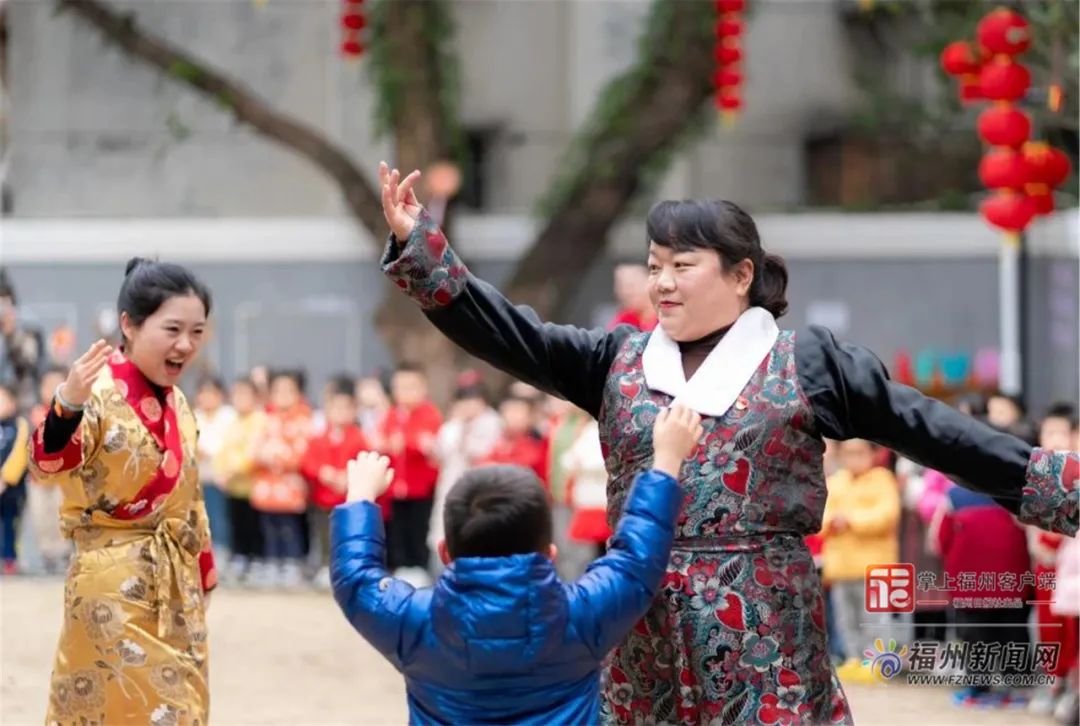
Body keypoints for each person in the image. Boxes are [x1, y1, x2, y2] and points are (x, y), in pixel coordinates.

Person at [376, 162, 1078, 723]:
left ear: (741, 275)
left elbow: (937, 433)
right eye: (654, 266)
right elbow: (512, 335)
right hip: (639, 622)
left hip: (766, 631)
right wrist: (421, 249)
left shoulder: (807, 363)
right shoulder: (615, 360)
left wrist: (1059, 487)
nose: (662, 283)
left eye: (683, 266)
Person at [330, 405, 703, 724]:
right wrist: (666, 461)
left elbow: (356, 580)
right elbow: (636, 561)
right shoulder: (581, 616)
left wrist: (361, 495)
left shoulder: (413, 623)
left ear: (445, 552)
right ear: (550, 553)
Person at [26, 258, 216, 724]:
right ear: (128, 325)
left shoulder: (180, 403)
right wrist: (67, 405)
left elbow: (189, 498)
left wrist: (202, 569)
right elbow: (47, 465)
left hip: (175, 589)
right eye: (172, 329)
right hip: (108, 586)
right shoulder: (96, 390)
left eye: (197, 331)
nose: (185, 345)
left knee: (184, 706)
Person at [820, 439, 900, 683]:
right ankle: (855, 658)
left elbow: (887, 515)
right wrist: (833, 521)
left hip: (876, 566)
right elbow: (820, 518)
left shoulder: (883, 479)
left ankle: (878, 662)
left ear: (872, 454)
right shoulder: (836, 482)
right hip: (841, 566)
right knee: (846, 619)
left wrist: (851, 520)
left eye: (859, 453)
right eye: (849, 453)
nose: (854, 458)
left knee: (876, 619)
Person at [301, 374, 371, 588]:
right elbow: (307, 463)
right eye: (336, 408)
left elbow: (365, 459)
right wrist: (324, 473)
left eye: (346, 408)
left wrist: (347, 477)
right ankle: (324, 566)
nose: (340, 413)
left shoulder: (358, 437)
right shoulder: (319, 438)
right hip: (322, 498)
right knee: (323, 535)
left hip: (347, 499)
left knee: (346, 536)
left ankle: (346, 570)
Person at [379, 363, 443, 580]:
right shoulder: (391, 414)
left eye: (411, 386)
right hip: (395, 487)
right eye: (401, 387)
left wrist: (405, 442)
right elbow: (382, 440)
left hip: (420, 487)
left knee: (418, 527)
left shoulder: (429, 414)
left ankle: (418, 566)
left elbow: (428, 442)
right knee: (397, 529)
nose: (405, 392)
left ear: (423, 388)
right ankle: (400, 566)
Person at [250, 368, 312, 589]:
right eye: (278, 390)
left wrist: (277, 457)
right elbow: (255, 448)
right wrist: (261, 456)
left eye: (289, 391)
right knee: (269, 526)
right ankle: (273, 562)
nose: (283, 395)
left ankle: (294, 563)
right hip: (267, 485)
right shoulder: (267, 419)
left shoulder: (304, 420)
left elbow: (303, 453)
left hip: (290, 486)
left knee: (290, 527)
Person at [213, 377, 268, 584]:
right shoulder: (232, 421)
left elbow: (252, 453)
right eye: (237, 395)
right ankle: (240, 558)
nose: (240, 399)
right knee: (236, 524)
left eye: (245, 394)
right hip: (232, 487)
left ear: (256, 397)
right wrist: (221, 472)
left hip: (252, 486)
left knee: (254, 525)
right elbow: (223, 450)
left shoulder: (259, 420)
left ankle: (256, 560)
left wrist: (233, 471)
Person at [26, 366, 72, 575]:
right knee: (40, 516)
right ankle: (47, 554)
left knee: (59, 515)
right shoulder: (36, 413)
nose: (52, 389)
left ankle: (63, 553)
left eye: (57, 385)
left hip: (62, 478)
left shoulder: (71, 414)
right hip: (37, 478)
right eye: (48, 385)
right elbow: (27, 444)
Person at [194, 375, 236, 563]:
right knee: (203, 518)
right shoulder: (194, 415)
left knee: (221, 518)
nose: (207, 398)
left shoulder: (229, 416)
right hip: (200, 478)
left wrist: (207, 451)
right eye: (203, 393)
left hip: (223, 478)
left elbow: (229, 444)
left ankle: (224, 552)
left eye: (212, 393)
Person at [0, 381, 30, 574]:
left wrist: (5, 479)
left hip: (12, 490)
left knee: (11, 524)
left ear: (12, 402)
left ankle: (10, 559)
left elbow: (20, 453)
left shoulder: (20, 425)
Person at [608, 263, 657, 332]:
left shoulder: (667, 317)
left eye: (631, 286)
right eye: (621, 287)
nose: (626, 292)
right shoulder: (623, 320)